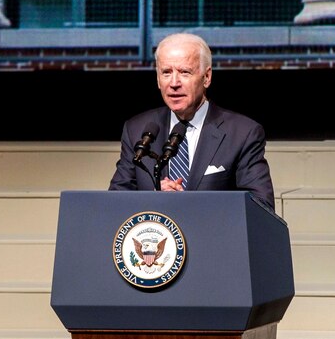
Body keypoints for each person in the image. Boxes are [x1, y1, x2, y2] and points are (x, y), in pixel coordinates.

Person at [107, 32, 275, 210]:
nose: (174, 83)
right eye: (166, 72)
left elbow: (261, 206)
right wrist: (154, 197)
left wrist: (189, 203)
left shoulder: (243, 133)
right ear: (157, 79)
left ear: (207, 77)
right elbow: (115, 201)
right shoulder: (136, 129)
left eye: (184, 72)